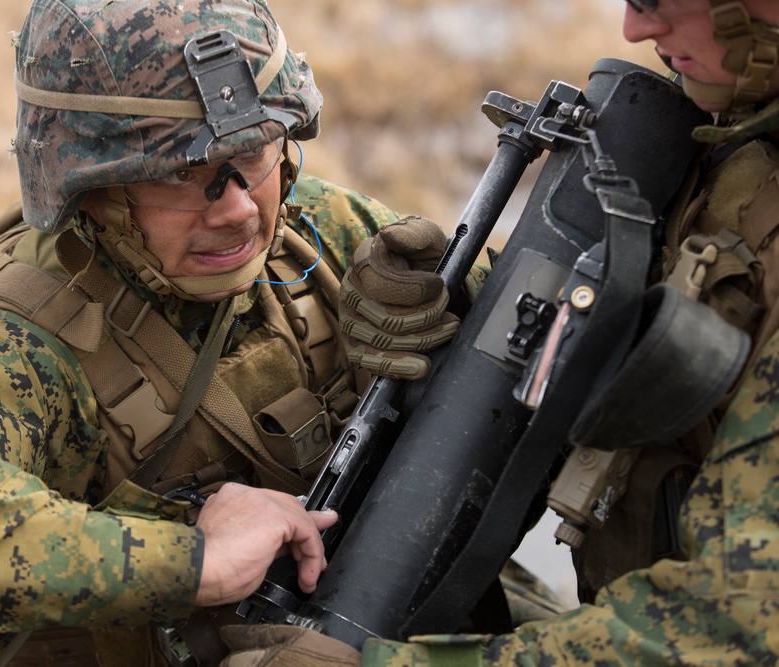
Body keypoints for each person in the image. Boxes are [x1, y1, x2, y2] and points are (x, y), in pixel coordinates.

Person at [0, 0, 468, 665]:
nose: (239, 208)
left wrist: (452, 313)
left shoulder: (314, 234)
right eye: (182, 172)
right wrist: (193, 562)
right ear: (88, 191)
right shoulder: (19, 342)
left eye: (256, 148)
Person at [219, 0, 779, 664]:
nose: (635, 28)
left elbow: (741, 619)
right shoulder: (735, 138)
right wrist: (462, 309)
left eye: (660, 1)